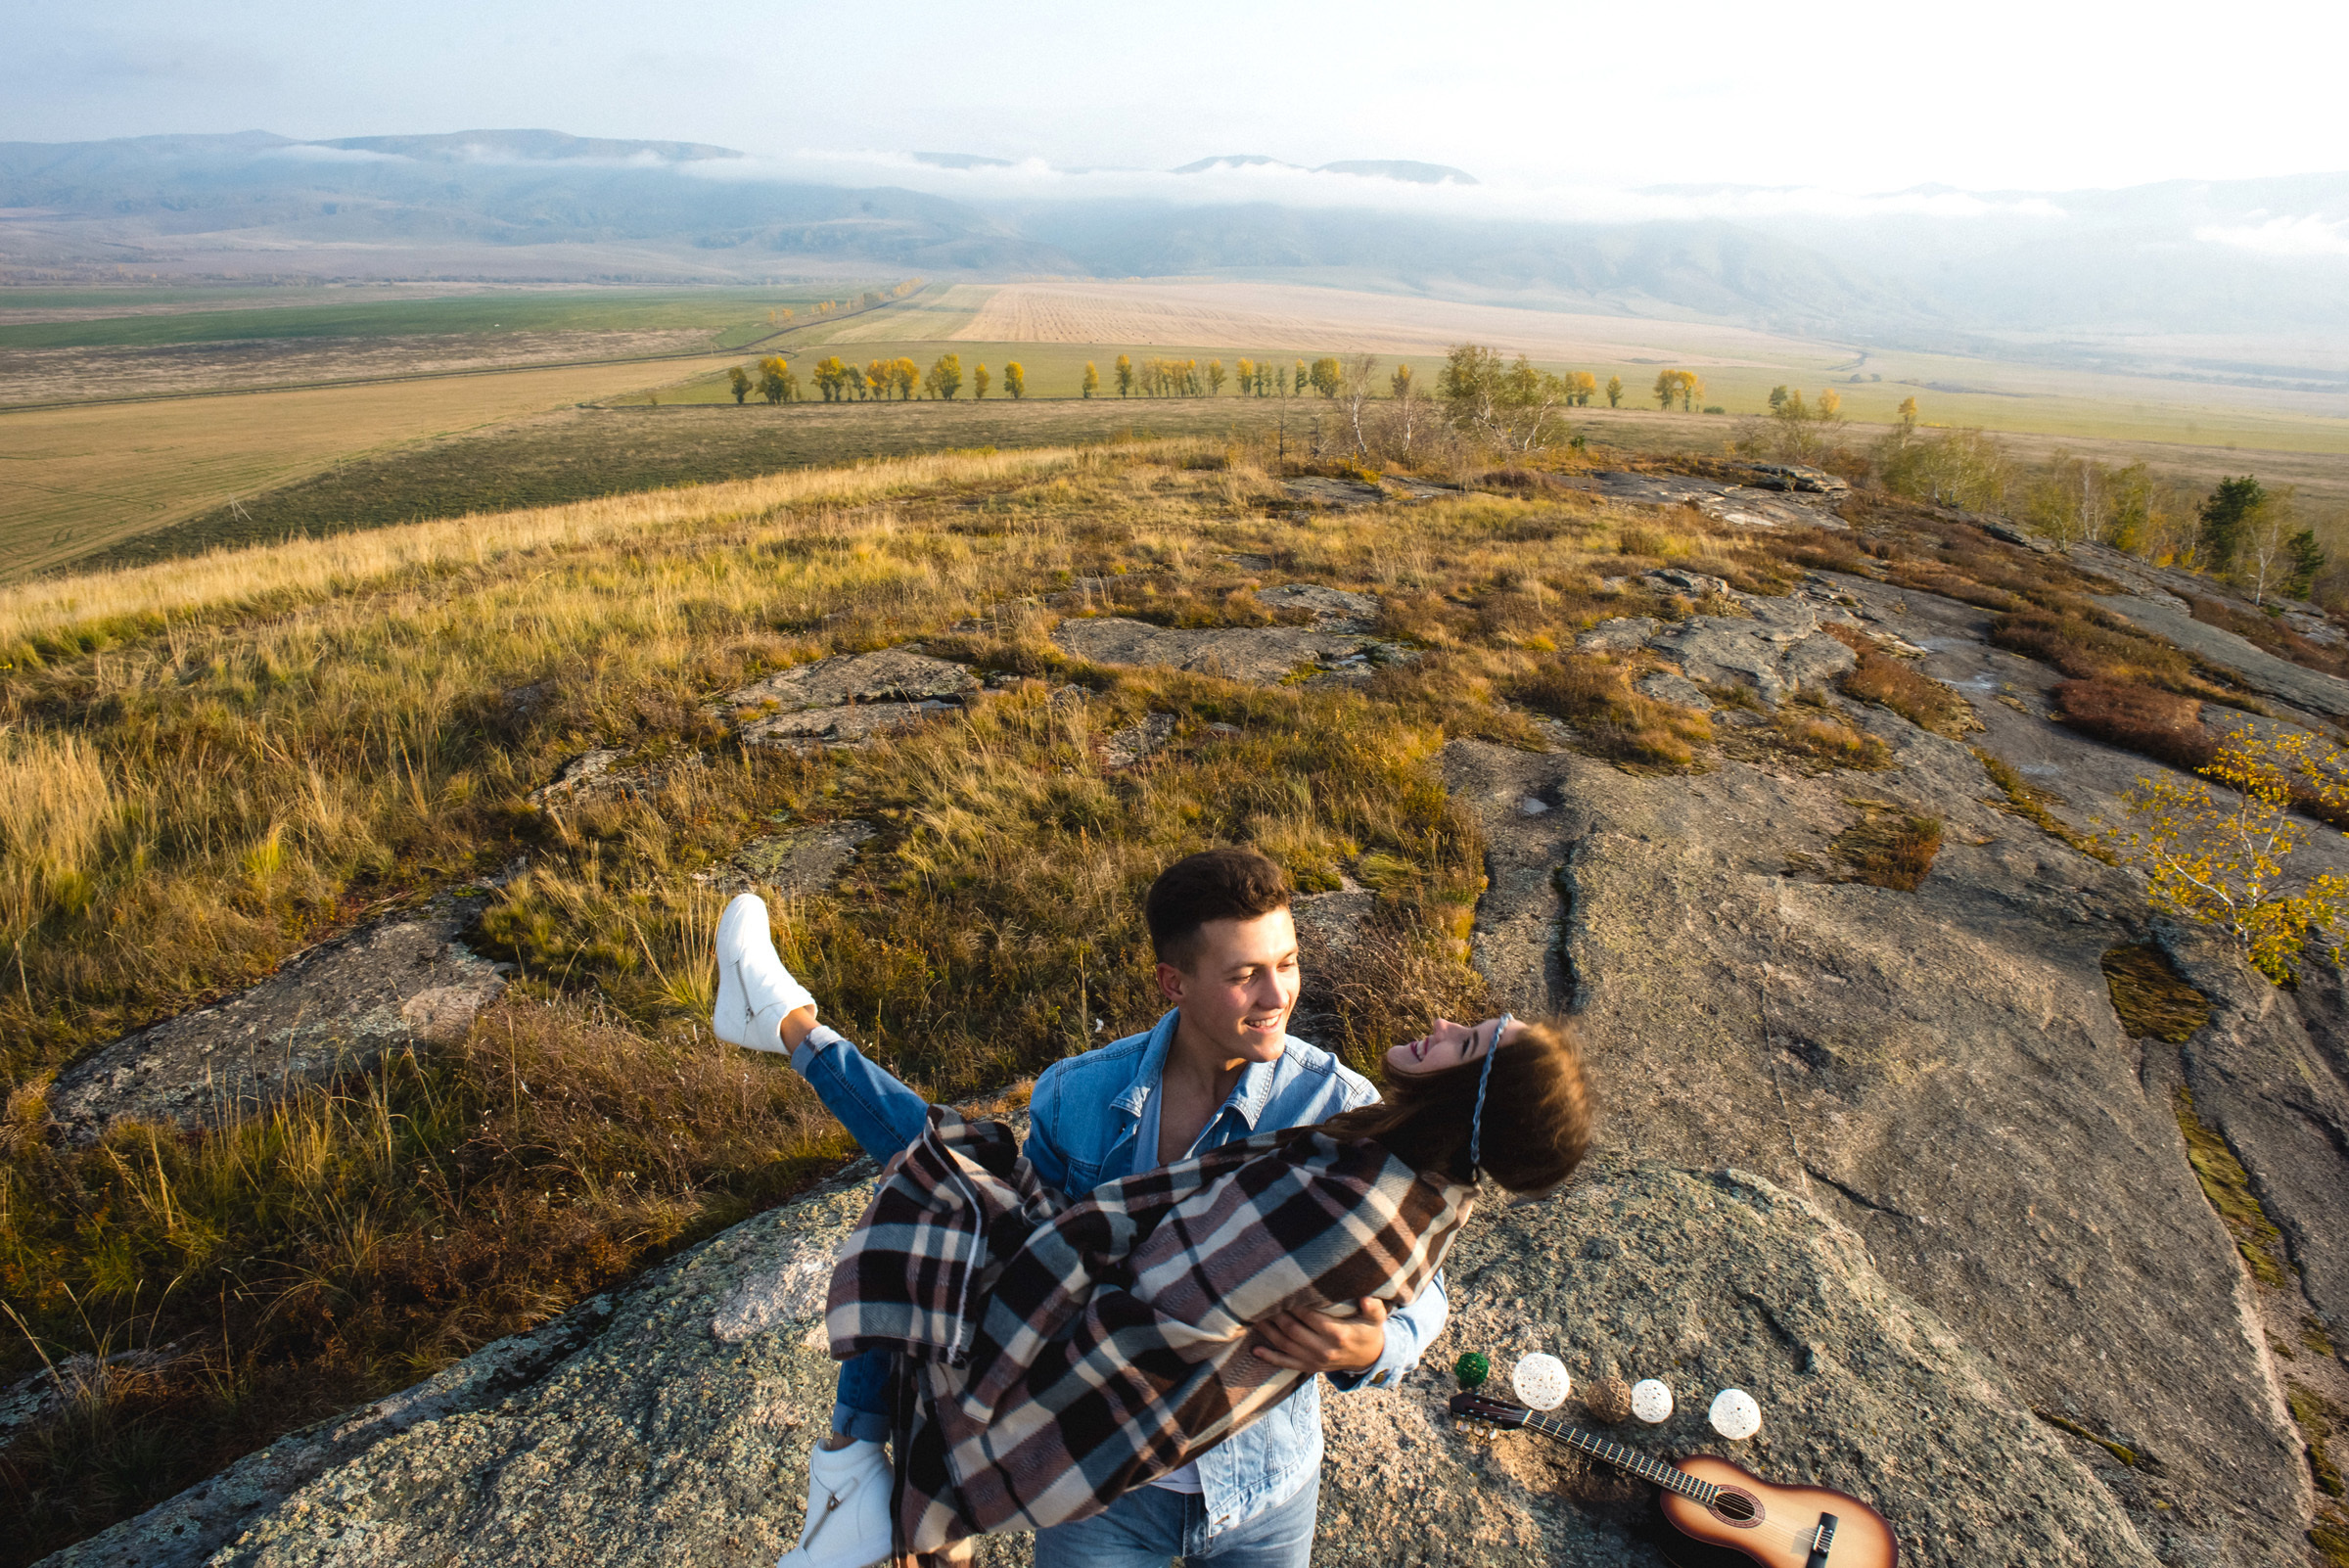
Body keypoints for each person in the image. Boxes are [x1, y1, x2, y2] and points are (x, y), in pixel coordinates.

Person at [711, 849, 1582, 1568]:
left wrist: (1373, 1344)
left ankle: (786, 1019)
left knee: (944, 1169)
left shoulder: (1340, 1111)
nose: (1278, 998)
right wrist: (947, 1501)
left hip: (1265, 1488)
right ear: (1175, 980)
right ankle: (788, 1022)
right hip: (1099, 1482)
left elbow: (1420, 1292)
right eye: (1244, 976)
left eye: (1286, 965)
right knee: (950, 1189)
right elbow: (1001, 1281)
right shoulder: (1079, 1097)